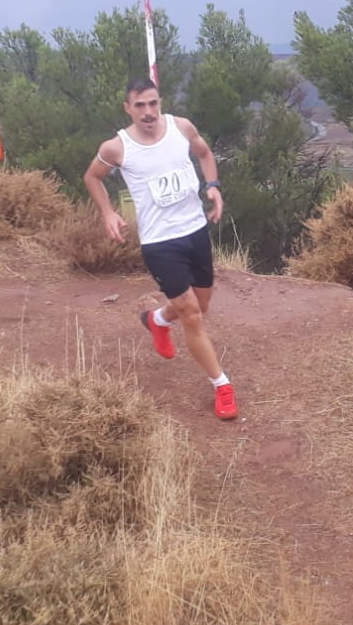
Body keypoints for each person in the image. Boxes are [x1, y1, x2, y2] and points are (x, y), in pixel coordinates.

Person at [83, 77, 238, 420]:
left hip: (195, 231)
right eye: (140, 105)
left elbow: (204, 152)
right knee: (192, 315)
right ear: (128, 108)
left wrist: (212, 186)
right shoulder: (117, 148)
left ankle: (156, 320)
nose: (148, 112)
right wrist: (107, 212)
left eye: (153, 103)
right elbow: (92, 177)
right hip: (159, 242)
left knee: (201, 304)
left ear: (160, 102)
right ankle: (222, 386)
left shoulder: (181, 127)